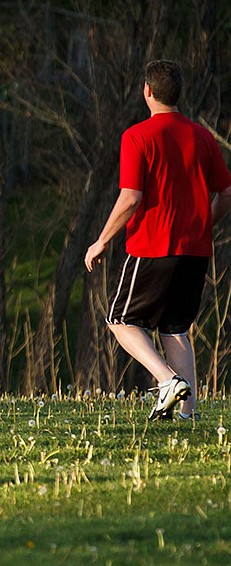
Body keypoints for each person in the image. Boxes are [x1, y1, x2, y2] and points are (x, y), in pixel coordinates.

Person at [85, 60, 231, 421]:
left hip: (153, 245)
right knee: (175, 328)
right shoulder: (203, 137)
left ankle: (167, 381)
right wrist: (203, 224)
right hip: (195, 250)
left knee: (120, 320)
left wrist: (102, 239)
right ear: (178, 94)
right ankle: (188, 414)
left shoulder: (137, 136)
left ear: (147, 92)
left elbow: (130, 197)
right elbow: (226, 193)